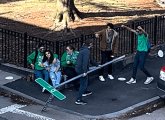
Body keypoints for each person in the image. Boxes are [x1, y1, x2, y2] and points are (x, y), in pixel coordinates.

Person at [75, 40, 96, 105]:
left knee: (85, 82)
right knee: (83, 84)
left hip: (79, 68)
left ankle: (84, 92)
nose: (92, 46)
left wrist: (97, 65)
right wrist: (84, 71)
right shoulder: (86, 51)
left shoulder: (83, 49)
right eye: (92, 45)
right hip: (81, 70)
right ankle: (78, 99)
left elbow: (90, 60)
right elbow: (85, 62)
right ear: (90, 44)